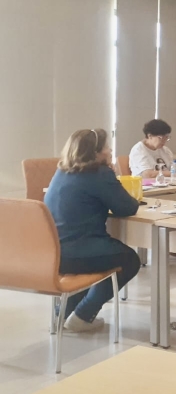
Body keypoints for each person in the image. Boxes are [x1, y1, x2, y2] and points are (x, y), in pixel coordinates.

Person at [44, 129, 142, 333]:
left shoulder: (61, 171)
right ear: (95, 153)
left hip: (53, 253)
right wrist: (112, 176)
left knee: (96, 258)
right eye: (107, 147)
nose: (110, 150)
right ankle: (83, 315)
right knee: (130, 259)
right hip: (78, 252)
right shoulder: (100, 173)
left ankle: (63, 314)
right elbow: (127, 207)